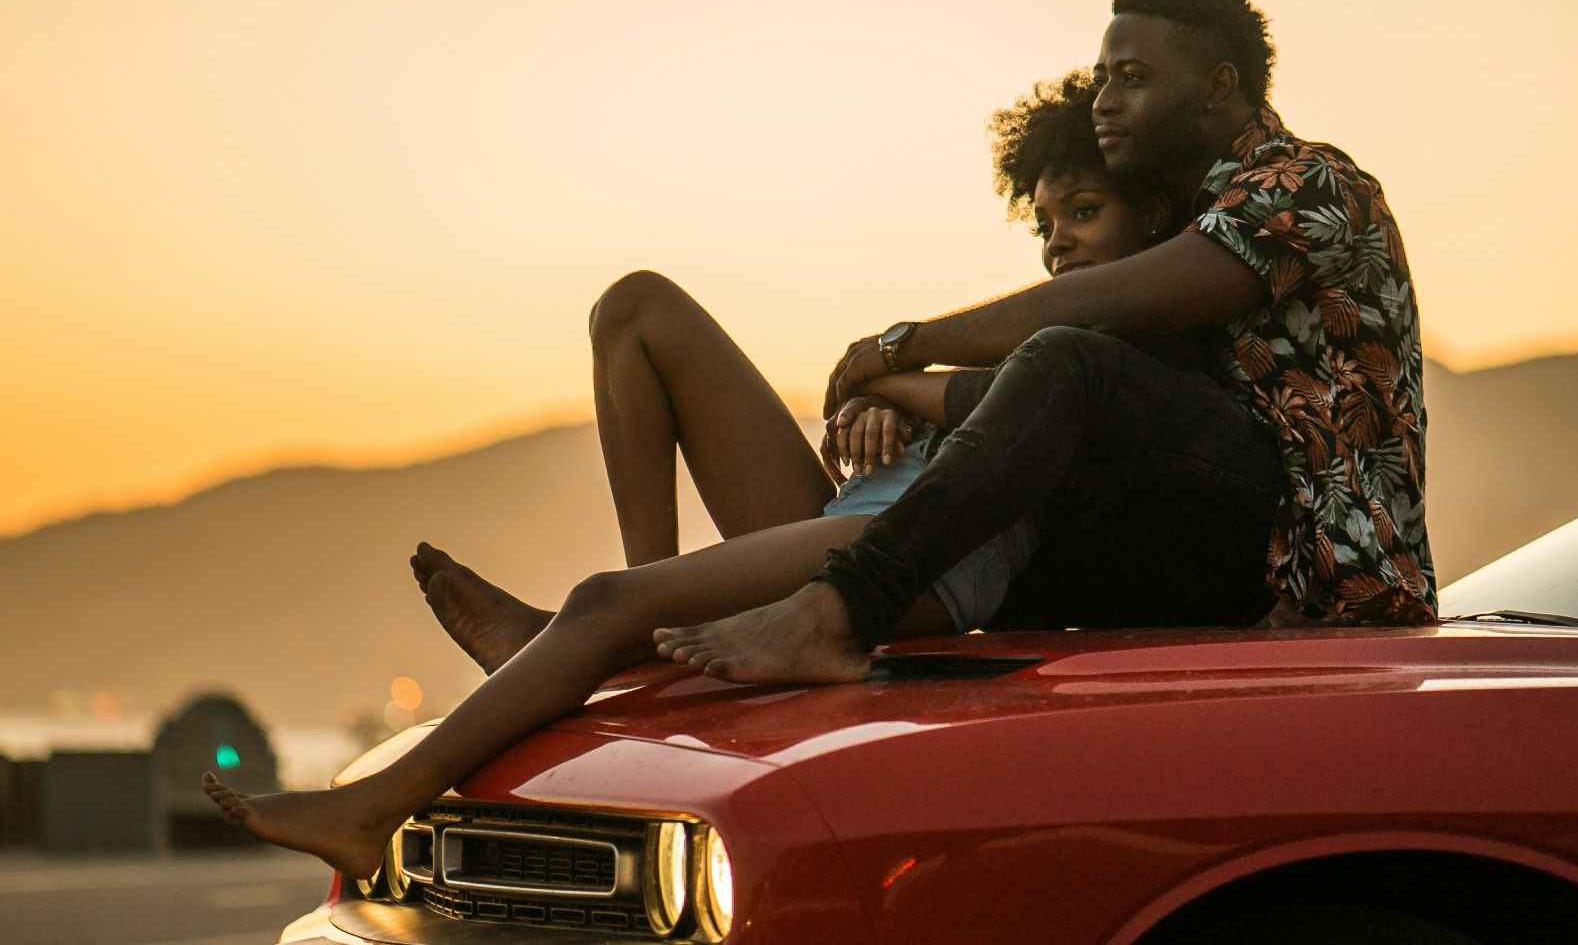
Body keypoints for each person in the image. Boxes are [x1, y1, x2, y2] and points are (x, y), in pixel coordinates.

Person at [201, 69, 1179, 878]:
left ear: (1154, 223)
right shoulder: (1034, 336)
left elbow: (1033, 405)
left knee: (605, 599)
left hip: (915, 561)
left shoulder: (1136, 347)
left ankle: (376, 805)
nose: (1059, 244)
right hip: (849, 512)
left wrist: (901, 386)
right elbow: (960, 394)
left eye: (1086, 214)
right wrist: (890, 400)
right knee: (636, 309)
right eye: (1047, 223)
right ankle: (624, 639)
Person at [653, 0, 1436, 687]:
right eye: (1101, 79)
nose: (1103, 100)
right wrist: (903, 398)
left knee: (1069, 361)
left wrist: (906, 347)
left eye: (1132, 79)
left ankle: (833, 611)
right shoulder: (1190, 215)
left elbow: (1097, 312)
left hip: (1336, 578)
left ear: (1216, 87)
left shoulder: (1306, 182)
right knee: (1018, 506)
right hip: (1216, 550)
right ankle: (684, 625)